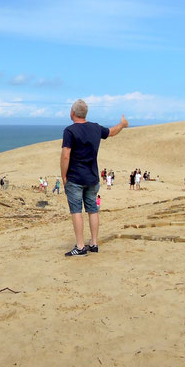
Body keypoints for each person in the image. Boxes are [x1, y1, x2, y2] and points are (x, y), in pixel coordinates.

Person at [60, 99, 128, 257]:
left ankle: (80, 246)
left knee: (76, 211)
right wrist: (123, 124)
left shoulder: (69, 131)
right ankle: (94, 243)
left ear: (73, 113)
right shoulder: (96, 128)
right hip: (92, 178)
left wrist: (64, 176)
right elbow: (111, 132)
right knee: (92, 210)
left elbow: (65, 156)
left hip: (75, 178)